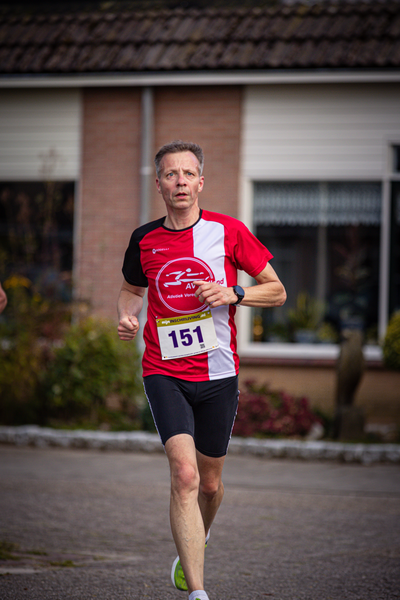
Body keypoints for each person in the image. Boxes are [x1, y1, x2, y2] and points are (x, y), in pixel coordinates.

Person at [117, 140, 286, 600]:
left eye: (188, 174)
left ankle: (198, 534)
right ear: (158, 184)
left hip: (218, 374)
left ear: (201, 182)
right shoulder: (144, 238)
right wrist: (128, 314)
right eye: (171, 174)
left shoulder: (229, 232)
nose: (180, 182)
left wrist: (234, 292)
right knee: (185, 476)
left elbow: (277, 291)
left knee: (209, 485)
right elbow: (132, 290)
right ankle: (198, 591)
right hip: (163, 370)